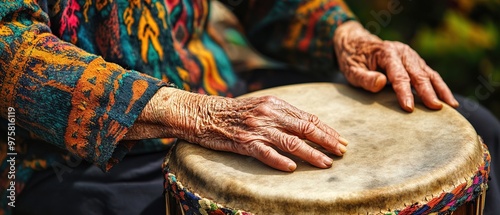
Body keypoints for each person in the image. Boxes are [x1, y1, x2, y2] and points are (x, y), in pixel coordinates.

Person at [0, 0, 497, 214]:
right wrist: (196, 114)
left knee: (475, 129)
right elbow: (9, 48)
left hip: (219, 90)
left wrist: (347, 35)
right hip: (66, 157)